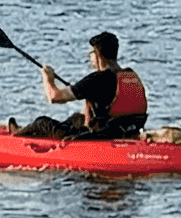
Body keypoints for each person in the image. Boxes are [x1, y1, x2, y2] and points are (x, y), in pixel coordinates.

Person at [12, 32, 149, 139]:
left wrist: (48, 78)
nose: (90, 57)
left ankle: (16, 138)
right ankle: (24, 130)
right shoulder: (129, 75)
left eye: (91, 53)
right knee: (76, 118)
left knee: (41, 122)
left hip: (101, 135)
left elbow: (54, 97)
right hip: (126, 128)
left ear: (97, 54)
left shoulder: (98, 79)